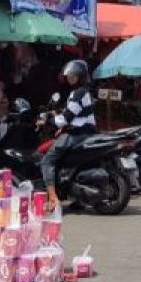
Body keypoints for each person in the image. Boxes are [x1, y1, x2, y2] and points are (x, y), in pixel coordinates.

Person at [41, 59, 97, 213]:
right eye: (70, 75)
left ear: (80, 76)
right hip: (84, 132)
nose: (70, 77)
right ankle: (78, 198)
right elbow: (74, 116)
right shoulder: (83, 91)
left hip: (78, 134)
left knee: (47, 160)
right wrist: (62, 125)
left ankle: (53, 198)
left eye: (74, 75)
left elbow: (66, 118)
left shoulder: (79, 93)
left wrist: (49, 120)